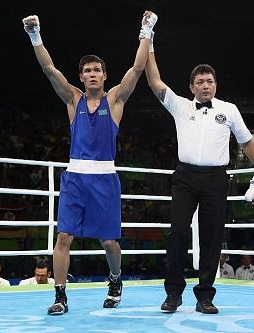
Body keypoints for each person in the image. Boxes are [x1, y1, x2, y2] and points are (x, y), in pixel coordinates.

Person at [22, 11, 157, 315]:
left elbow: (137, 67)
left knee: (108, 241)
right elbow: (48, 68)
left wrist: (146, 30)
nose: (93, 74)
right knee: (63, 236)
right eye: (87, 70)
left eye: (97, 70)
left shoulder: (116, 100)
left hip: (105, 178)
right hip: (75, 177)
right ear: (81, 76)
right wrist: (35, 34)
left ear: (105, 75)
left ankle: (115, 279)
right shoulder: (73, 99)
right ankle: (60, 295)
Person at [144, 17, 254, 314]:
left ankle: (205, 297)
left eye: (209, 80)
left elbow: (247, 142)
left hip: (215, 178)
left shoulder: (229, 109)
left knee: (212, 237)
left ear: (216, 84)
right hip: (185, 177)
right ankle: (173, 294)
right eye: (200, 81)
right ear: (191, 87)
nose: (205, 85)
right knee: (177, 234)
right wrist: (148, 38)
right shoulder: (180, 105)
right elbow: (153, 80)